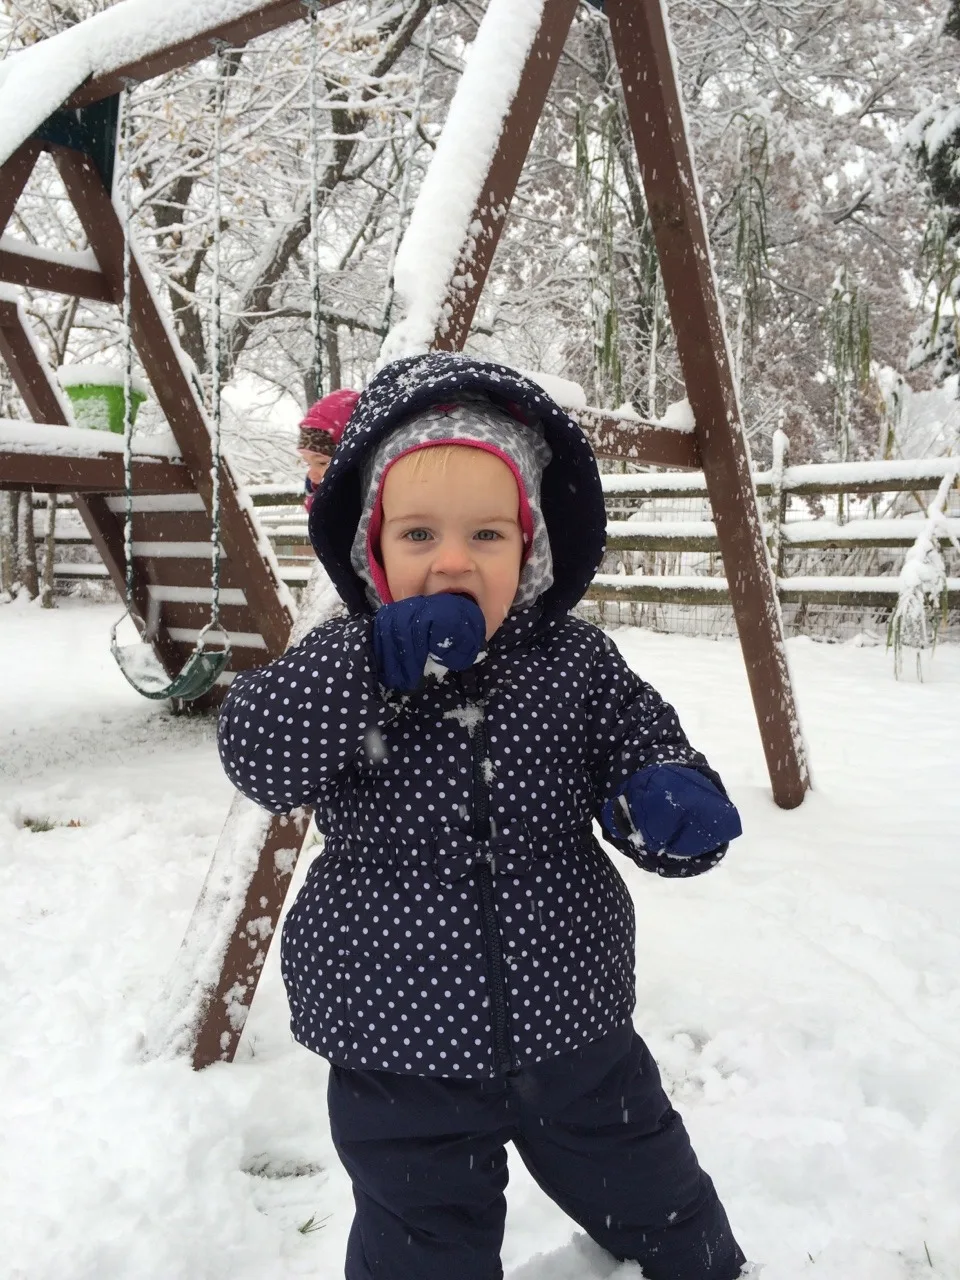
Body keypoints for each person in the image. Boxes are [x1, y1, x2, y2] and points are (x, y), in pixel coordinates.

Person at [219, 353, 749, 1280]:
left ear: (532, 550)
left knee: (661, 1198)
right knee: (421, 1248)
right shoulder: (341, 662)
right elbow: (257, 754)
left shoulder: (575, 665)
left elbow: (642, 746)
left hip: (575, 1026)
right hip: (397, 1046)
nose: (453, 560)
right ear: (373, 551)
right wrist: (370, 666)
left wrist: (664, 796)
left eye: (488, 536)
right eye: (419, 533)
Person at [297, 387, 361, 511]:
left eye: (322, 462)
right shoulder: (322, 496)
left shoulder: (369, 507)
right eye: (307, 463)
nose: (312, 475)